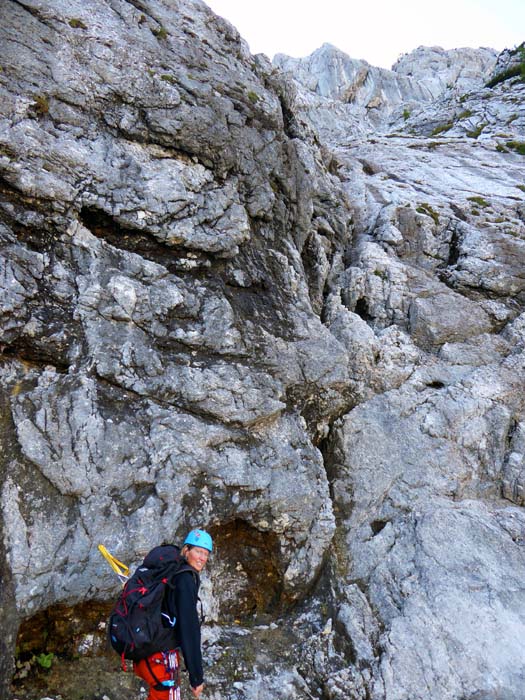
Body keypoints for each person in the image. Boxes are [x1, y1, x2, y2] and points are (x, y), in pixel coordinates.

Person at [133, 529, 213, 700]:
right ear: (186, 550)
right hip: (159, 654)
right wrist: (196, 677)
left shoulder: (172, 573)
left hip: (146, 649)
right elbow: (189, 629)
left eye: (206, 554)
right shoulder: (184, 579)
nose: (202, 558)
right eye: (198, 551)